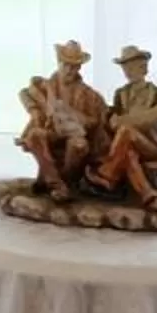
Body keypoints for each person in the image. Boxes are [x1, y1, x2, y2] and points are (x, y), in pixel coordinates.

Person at [92, 45, 157, 209]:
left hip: (150, 145)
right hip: (127, 145)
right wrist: (109, 116)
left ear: (143, 68)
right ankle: (150, 197)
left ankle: (107, 173)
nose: (128, 71)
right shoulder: (121, 93)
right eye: (125, 67)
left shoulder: (155, 92)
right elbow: (114, 116)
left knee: (126, 131)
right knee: (129, 154)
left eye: (132, 66)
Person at [19, 41, 109, 200]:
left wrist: (73, 115)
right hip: (51, 132)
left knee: (79, 145)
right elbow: (24, 93)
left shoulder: (89, 94)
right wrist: (34, 111)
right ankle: (56, 184)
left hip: (73, 135)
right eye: (66, 64)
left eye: (74, 66)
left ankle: (65, 181)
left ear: (79, 67)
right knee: (35, 135)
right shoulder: (46, 85)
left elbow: (94, 121)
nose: (69, 70)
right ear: (59, 62)